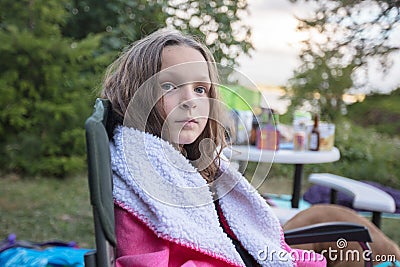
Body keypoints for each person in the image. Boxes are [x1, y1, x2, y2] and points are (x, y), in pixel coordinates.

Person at [100, 28, 326, 267]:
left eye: (200, 89)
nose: (190, 102)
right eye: (169, 86)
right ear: (137, 93)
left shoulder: (189, 166)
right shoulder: (142, 179)